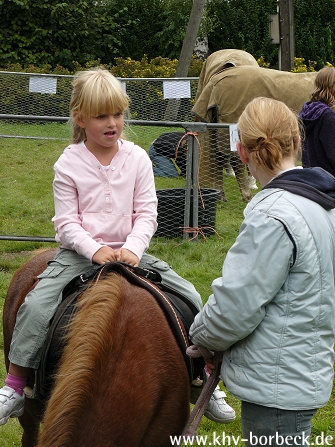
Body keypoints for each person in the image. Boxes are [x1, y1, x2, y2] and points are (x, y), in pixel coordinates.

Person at [0, 68, 235, 426]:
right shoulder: (68, 163)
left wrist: (133, 248)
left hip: (131, 252)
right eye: (100, 116)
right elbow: (66, 222)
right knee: (35, 306)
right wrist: (94, 250)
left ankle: (203, 377)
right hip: (78, 256)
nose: (112, 123)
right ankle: (16, 386)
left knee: (190, 294)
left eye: (118, 114)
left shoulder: (138, 159)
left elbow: (147, 213)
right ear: (80, 118)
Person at [189, 97, 335, 446]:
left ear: (241, 152)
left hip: (277, 384)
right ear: (297, 143)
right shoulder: (324, 203)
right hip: (305, 371)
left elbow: (237, 304)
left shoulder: (272, 216)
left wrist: (202, 337)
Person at [299, 66, 335, 175]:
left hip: (310, 176)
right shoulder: (328, 117)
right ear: (332, 87)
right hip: (328, 181)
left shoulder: (306, 111)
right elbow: (332, 154)